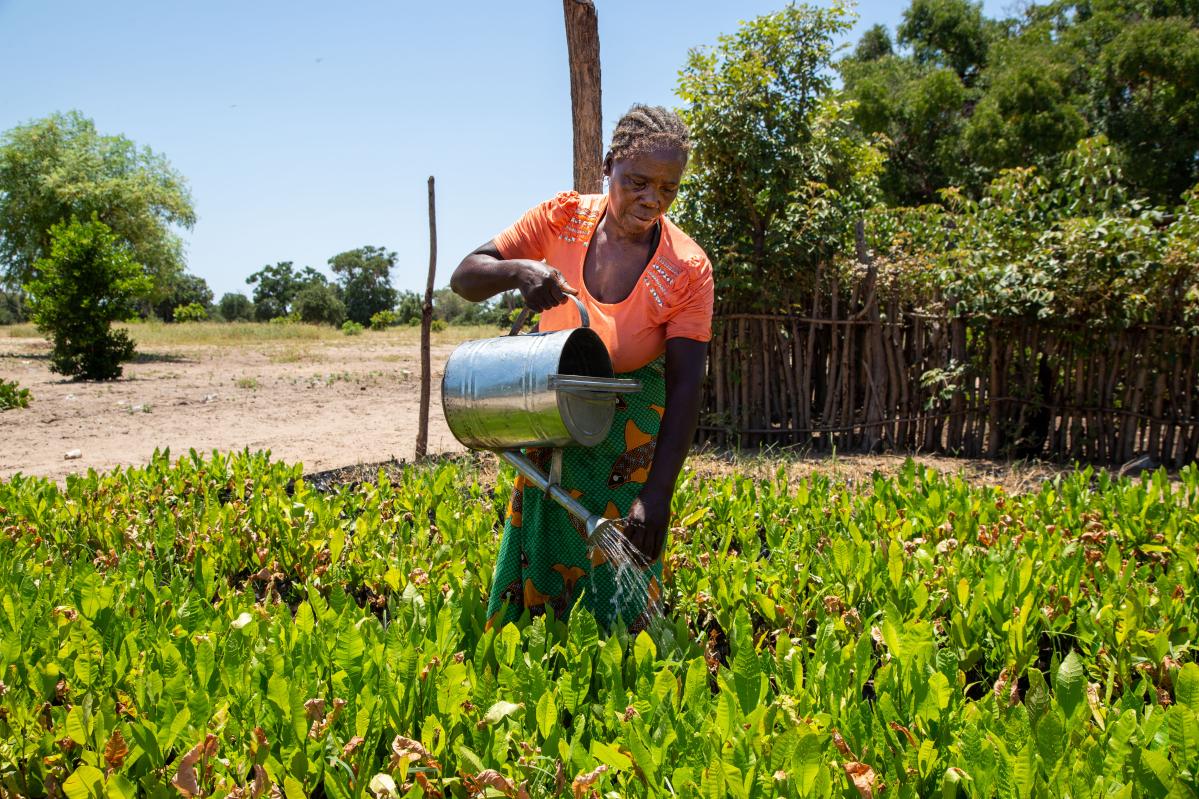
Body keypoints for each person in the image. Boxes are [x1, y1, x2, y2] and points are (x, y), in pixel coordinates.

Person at [450, 104, 713, 631]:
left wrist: (657, 494)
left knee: (623, 545)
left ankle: (617, 675)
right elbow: (465, 277)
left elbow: (687, 387)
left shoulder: (687, 269)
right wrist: (520, 270)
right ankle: (534, 653)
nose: (651, 200)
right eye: (638, 181)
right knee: (546, 523)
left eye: (668, 189)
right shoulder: (561, 219)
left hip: (630, 420)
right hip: (550, 401)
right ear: (609, 165)